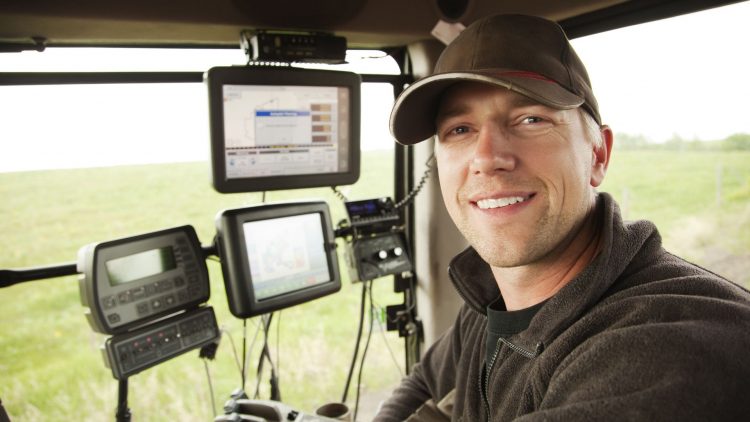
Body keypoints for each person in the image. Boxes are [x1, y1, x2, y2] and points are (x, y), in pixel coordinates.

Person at [374, 14, 750, 421]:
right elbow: (425, 383)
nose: (486, 158)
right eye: (459, 129)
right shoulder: (490, 297)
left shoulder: (664, 345)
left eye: (531, 119)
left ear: (598, 155)